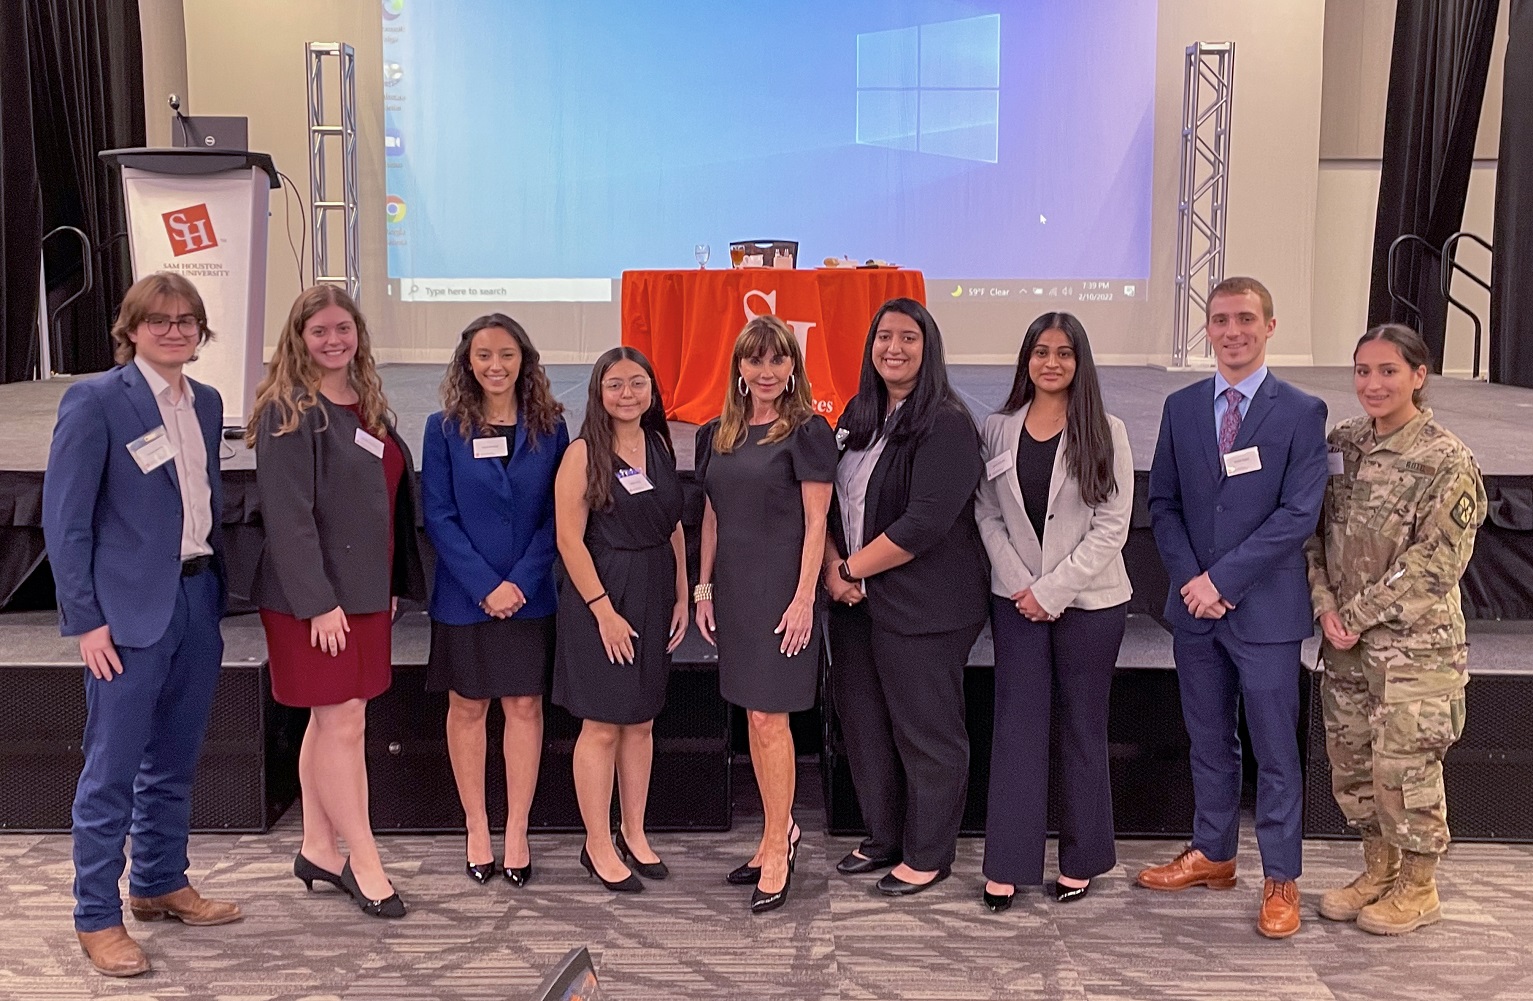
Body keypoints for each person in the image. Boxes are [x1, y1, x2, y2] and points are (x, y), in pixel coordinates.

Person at [42, 273, 241, 977]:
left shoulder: (207, 401)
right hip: (125, 617)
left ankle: (159, 880)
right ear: (131, 329)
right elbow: (65, 522)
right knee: (112, 770)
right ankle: (96, 915)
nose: (174, 331)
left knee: (175, 759)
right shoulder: (96, 400)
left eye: (186, 320)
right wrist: (86, 621)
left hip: (196, 599)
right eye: (159, 320)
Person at [1141, 276, 1328, 939]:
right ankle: (1213, 854)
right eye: (1220, 319)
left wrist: (1222, 581)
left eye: (1245, 318)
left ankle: (1281, 877)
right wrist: (1193, 582)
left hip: (1265, 613)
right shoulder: (1182, 406)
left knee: (1275, 750)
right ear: (1208, 328)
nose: (1232, 331)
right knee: (1209, 739)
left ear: (1269, 326)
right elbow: (1163, 503)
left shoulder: (1300, 411)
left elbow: (1297, 514)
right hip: (1194, 611)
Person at [246, 284, 425, 919]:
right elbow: (288, 518)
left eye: (342, 328)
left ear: (358, 334)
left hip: (365, 594)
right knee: (343, 722)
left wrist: (389, 583)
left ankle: (318, 848)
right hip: (315, 600)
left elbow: (381, 504)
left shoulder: (366, 402)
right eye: (318, 330)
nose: (332, 340)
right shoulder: (288, 410)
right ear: (298, 338)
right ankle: (364, 860)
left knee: (335, 722)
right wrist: (319, 603)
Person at [1306, 323, 1485, 936]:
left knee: (1406, 773)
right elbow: (1313, 533)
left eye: (1388, 371)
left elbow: (1434, 565)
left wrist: (1352, 616)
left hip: (1415, 652)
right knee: (1355, 767)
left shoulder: (1446, 460)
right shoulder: (1343, 444)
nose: (1373, 384)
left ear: (1418, 375)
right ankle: (1378, 872)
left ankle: (1419, 887)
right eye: (1363, 371)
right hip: (1345, 647)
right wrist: (1324, 604)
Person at [824, 297, 989, 896]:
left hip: (925, 605)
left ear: (929, 348)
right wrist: (834, 568)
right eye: (884, 337)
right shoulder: (860, 413)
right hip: (855, 602)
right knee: (865, 726)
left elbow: (924, 523)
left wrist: (851, 569)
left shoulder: (946, 422)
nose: (894, 348)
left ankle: (928, 853)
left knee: (928, 735)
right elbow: (829, 500)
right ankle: (884, 837)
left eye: (908, 338)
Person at [974, 312, 1134, 912]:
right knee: (1017, 727)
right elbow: (986, 512)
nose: (1051, 363)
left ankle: (1081, 859)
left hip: (1091, 603)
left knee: (1081, 727)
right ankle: (1008, 864)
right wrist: (1024, 585)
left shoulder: (1107, 430)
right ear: (1027, 359)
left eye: (1064, 353)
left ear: (1079, 362)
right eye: (1041, 352)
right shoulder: (997, 429)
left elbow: (1113, 525)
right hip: (1016, 600)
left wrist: (1054, 590)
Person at [694, 316, 837, 913]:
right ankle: (778, 830)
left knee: (771, 720)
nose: (767, 371)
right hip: (734, 591)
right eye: (755, 360)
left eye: (778, 360)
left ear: (793, 367)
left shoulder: (808, 431)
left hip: (782, 593)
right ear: (739, 368)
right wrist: (703, 589)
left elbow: (816, 523)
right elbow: (711, 516)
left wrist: (804, 598)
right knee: (754, 718)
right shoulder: (715, 433)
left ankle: (778, 846)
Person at [421, 314, 568, 887]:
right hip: (465, 597)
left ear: (524, 359)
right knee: (468, 707)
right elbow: (438, 514)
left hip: (529, 595)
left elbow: (559, 516)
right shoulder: (442, 429)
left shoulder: (551, 428)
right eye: (484, 355)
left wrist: (521, 582)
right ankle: (477, 827)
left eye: (506, 354)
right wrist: (485, 585)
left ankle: (517, 831)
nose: (495, 365)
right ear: (468, 361)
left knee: (525, 707)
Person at [553, 346, 688, 893]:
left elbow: (673, 525)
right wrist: (603, 611)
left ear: (652, 391)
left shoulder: (659, 444)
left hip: (655, 590)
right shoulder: (583, 453)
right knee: (603, 724)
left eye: (637, 383)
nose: (627, 394)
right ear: (598, 392)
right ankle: (597, 844)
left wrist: (683, 594)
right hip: (603, 596)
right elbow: (569, 540)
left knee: (642, 720)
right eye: (615, 384)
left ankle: (633, 831)